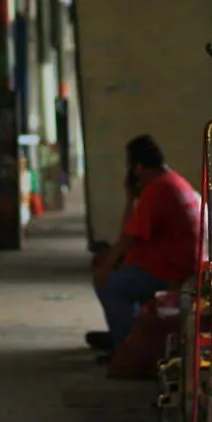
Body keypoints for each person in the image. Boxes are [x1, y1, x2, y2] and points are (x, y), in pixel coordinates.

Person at [86, 135, 203, 358]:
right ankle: (129, 333)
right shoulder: (172, 181)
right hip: (181, 264)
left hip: (172, 271)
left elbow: (127, 238)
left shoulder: (158, 189)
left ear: (137, 168)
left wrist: (105, 269)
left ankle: (126, 349)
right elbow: (133, 236)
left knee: (109, 284)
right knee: (112, 264)